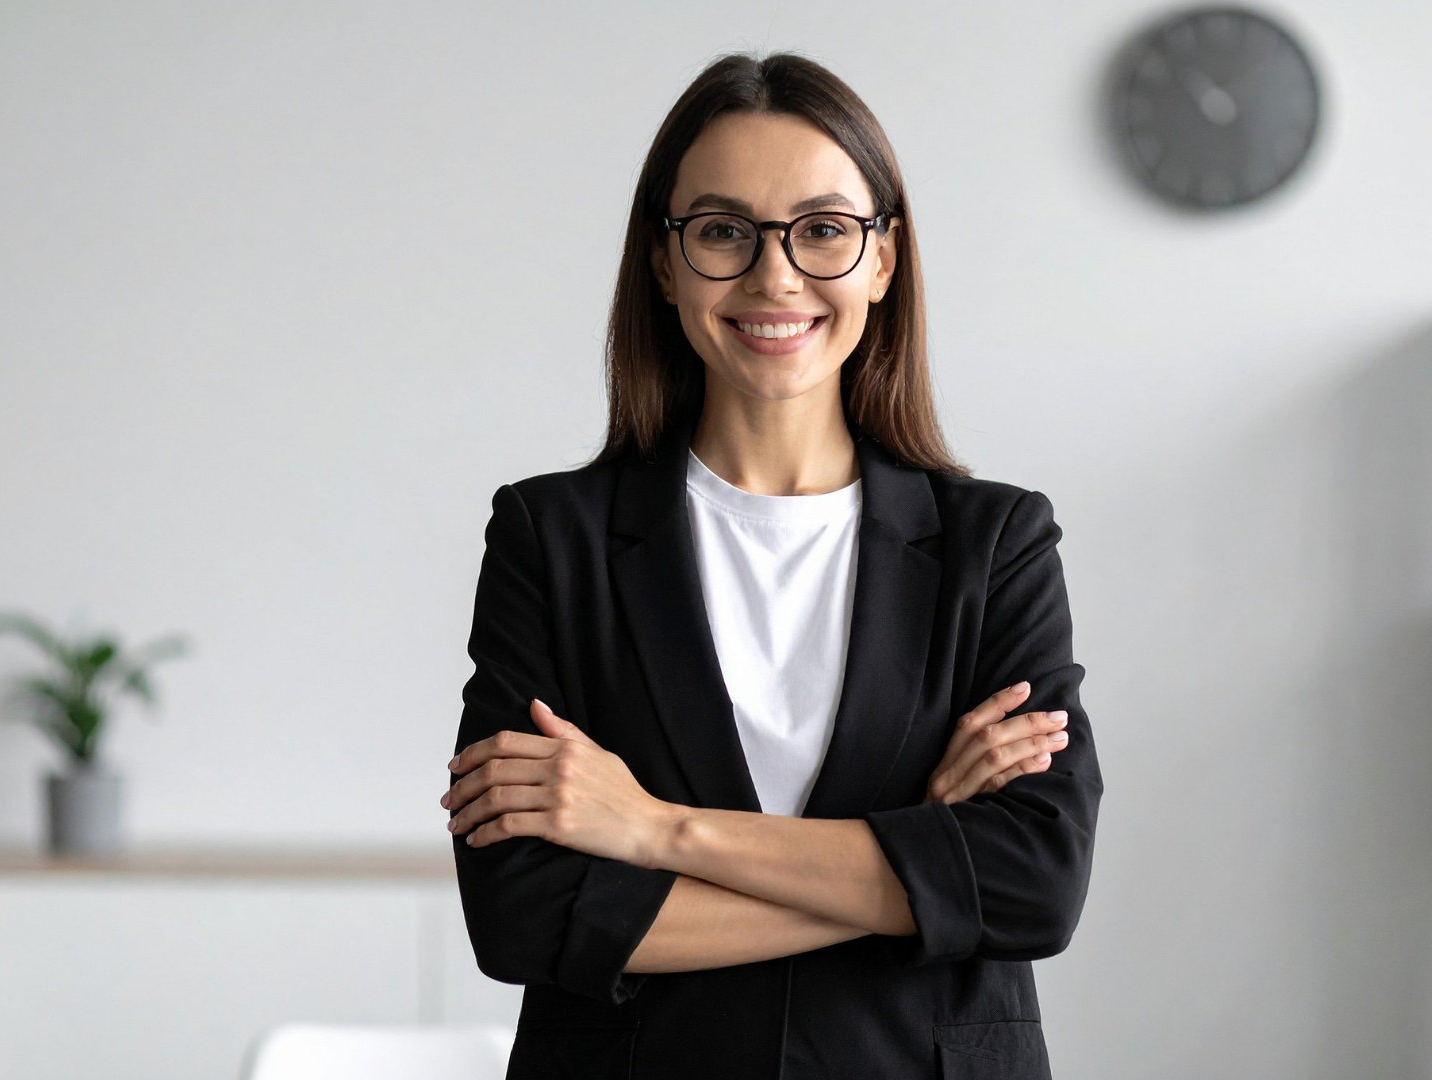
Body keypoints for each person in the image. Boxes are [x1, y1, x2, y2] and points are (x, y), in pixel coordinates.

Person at [439, 50, 1101, 1080]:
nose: (774, 274)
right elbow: (524, 916)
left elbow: (1033, 887)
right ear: (665, 263)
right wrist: (921, 857)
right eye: (721, 232)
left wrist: (655, 832)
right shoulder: (550, 537)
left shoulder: (998, 545)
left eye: (824, 230)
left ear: (883, 260)